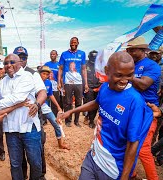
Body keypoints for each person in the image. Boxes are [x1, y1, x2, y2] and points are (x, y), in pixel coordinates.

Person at [58, 52, 153, 180]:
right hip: (93, 157)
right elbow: (97, 102)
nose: (124, 80)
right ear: (107, 71)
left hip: (112, 170)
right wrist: (72, 111)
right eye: (119, 75)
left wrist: (124, 177)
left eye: (129, 75)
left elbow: (133, 144)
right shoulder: (104, 88)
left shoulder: (135, 102)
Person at [0, 54, 44, 180]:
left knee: (35, 163)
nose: (8, 65)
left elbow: (16, 99)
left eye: (12, 62)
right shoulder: (3, 81)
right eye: (6, 63)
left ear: (19, 62)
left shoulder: (27, 76)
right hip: (11, 129)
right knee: (15, 164)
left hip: (29, 127)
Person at [126, 36, 161, 180]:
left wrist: (125, 75)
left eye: (132, 50)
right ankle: (131, 173)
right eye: (128, 50)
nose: (129, 53)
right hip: (133, 110)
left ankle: (153, 178)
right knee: (130, 143)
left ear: (142, 50)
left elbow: (143, 84)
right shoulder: (132, 65)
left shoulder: (152, 66)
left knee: (144, 149)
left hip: (148, 111)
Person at [13, 46, 48, 179]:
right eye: (19, 57)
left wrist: (37, 104)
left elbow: (42, 92)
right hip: (16, 122)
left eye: (24, 58)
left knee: (37, 151)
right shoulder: (9, 74)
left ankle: (40, 175)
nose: (21, 60)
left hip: (32, 120)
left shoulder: (33, 74)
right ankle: (24, 175)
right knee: (19, 155)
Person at [58, 37, 88, 127]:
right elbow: (60, 69)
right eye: (71, 42)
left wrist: (85, 83)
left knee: (79, 102)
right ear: (69, 43)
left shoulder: (82, 54)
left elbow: (83, 69)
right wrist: (59, 82)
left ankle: (76, 121)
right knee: (68, 102)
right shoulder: (64, 54)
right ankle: (68, 121)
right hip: (67, 82)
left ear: (78, 43)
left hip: (79, 82)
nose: (73, 43)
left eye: (75, 42)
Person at [39, 66, 69, 149]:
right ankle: (39, 145)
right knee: (38, 127)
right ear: (39, 73)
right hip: (36, 106)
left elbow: (50, 95)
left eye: (47, 74)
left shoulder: (49, 83)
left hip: (44, 106)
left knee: (56, 123)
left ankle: (60, 144)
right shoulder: (35, 82)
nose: (45, 76)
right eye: (43, 73)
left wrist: (58, 107)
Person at [83, 50, 101, 129]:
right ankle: (91, 121)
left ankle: (91, 118)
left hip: (98, 88)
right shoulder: (85, 65)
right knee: (90, 104)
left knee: (96, 105)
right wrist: (85, 86)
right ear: (89, 57)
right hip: (89, 88)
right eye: (92, 57)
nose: (94, 59)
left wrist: (99, 87)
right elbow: (83, 76)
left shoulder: (100, 65)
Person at [44, 50, 63, 115]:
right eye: (51, 54)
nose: (52, 55)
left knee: (55, 102)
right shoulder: (47, 64)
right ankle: (45, 119)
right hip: (47, 86)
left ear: (56, 55)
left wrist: (60, 85)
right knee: (46, 102)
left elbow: (61, 77)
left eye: (54, 54)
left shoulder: (59, 65)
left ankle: (54, 116)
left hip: (55, 87)